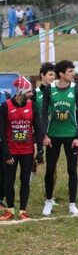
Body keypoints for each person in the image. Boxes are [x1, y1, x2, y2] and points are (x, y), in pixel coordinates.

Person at [41, 60, 78, 216]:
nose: (73, 74)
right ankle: (48, 201)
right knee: (50, 169)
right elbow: (43, 112)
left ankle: (72, 205)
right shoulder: (50, 89)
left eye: (73, 71)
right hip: (53, 136)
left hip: (71, 136)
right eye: (70, 71)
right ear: (61, 74)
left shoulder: (76, 89)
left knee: (72, 170)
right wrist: (44, 134)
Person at [1, 77, 39, 220]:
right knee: (9, 180)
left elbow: (38, 128)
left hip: (27, 150)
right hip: (11, 150)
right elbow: (2, 132)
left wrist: (39, 149)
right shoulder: (5, 106)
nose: (31, 94)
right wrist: (6, 153)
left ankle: (23, 210)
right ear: (21, 91)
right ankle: (9, 210)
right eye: (29, 91)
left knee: (25, 180)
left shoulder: (32, 106)